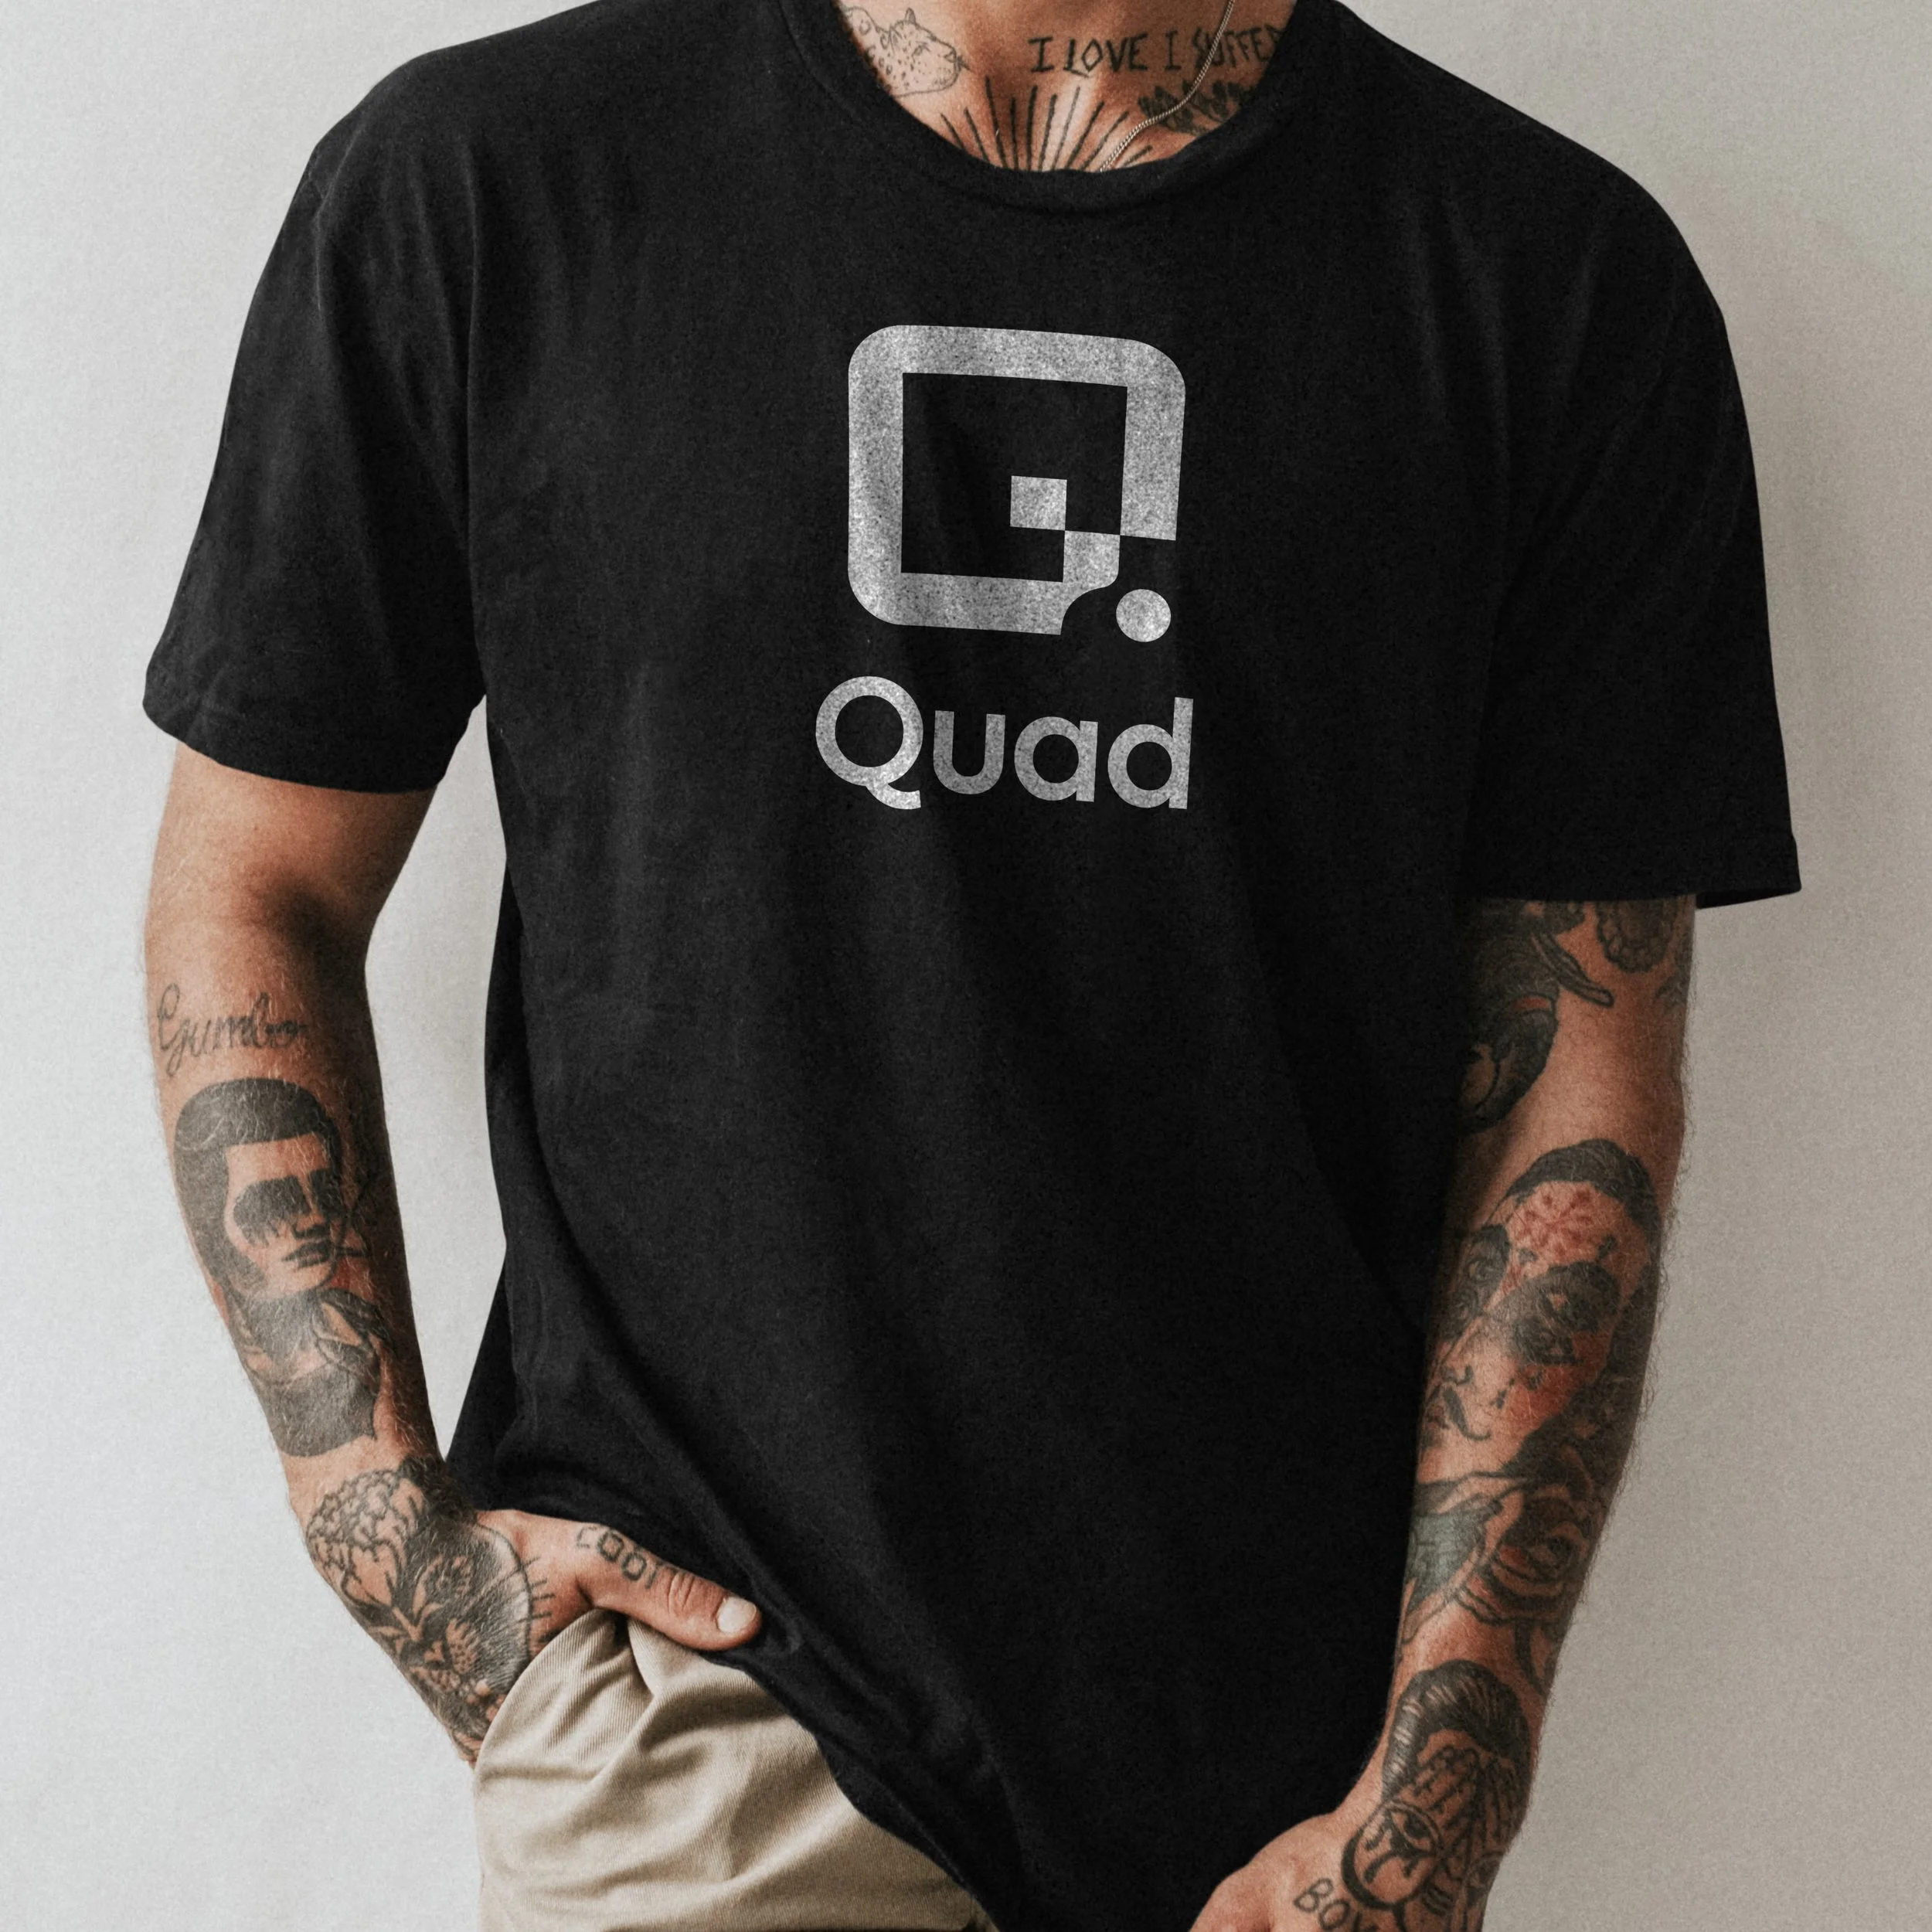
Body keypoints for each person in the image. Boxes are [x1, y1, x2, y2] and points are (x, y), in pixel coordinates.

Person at [140, 0, 1801, 1927]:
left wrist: (1444, 1775)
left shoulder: (1545, 278)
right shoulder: (492, 184)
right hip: (710, 1712)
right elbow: (255, 884)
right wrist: (378, 1518)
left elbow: (1571, 1069)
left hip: (1279, 1780)